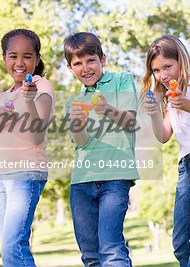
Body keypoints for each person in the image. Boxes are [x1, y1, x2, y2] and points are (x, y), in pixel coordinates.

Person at [142, 34, 190, 267]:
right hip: (185, 164)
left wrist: (181, 102)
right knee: (180, 240)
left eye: (168, 66)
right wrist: (154, 112)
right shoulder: (169, 96)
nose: (163, 75)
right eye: (156, 70)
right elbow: (163, 135)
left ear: (181, 61)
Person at [0, 29, 55, 266]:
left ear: (36, 59)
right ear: (4, 58)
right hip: (1, 178)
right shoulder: (5, 96)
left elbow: (36, 135)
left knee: (14, 247)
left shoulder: (42, 87)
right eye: (13, 56)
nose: (19, 62)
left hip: (26, 174)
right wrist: (1, 116)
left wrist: (27, 100)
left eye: (27, 56)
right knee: (8, 247)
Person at [64, 32, 138, 266]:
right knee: (90, 255)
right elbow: (81, 142)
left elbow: (129, 122)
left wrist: (106, 109)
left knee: (111, 248)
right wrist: (77, 123)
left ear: (102, 59)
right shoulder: (73, 102)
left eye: (90, 60)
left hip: (115, 177)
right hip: (81, 182)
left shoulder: (121, 81)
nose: (85, 68)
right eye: (78, 63)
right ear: (70, 67)